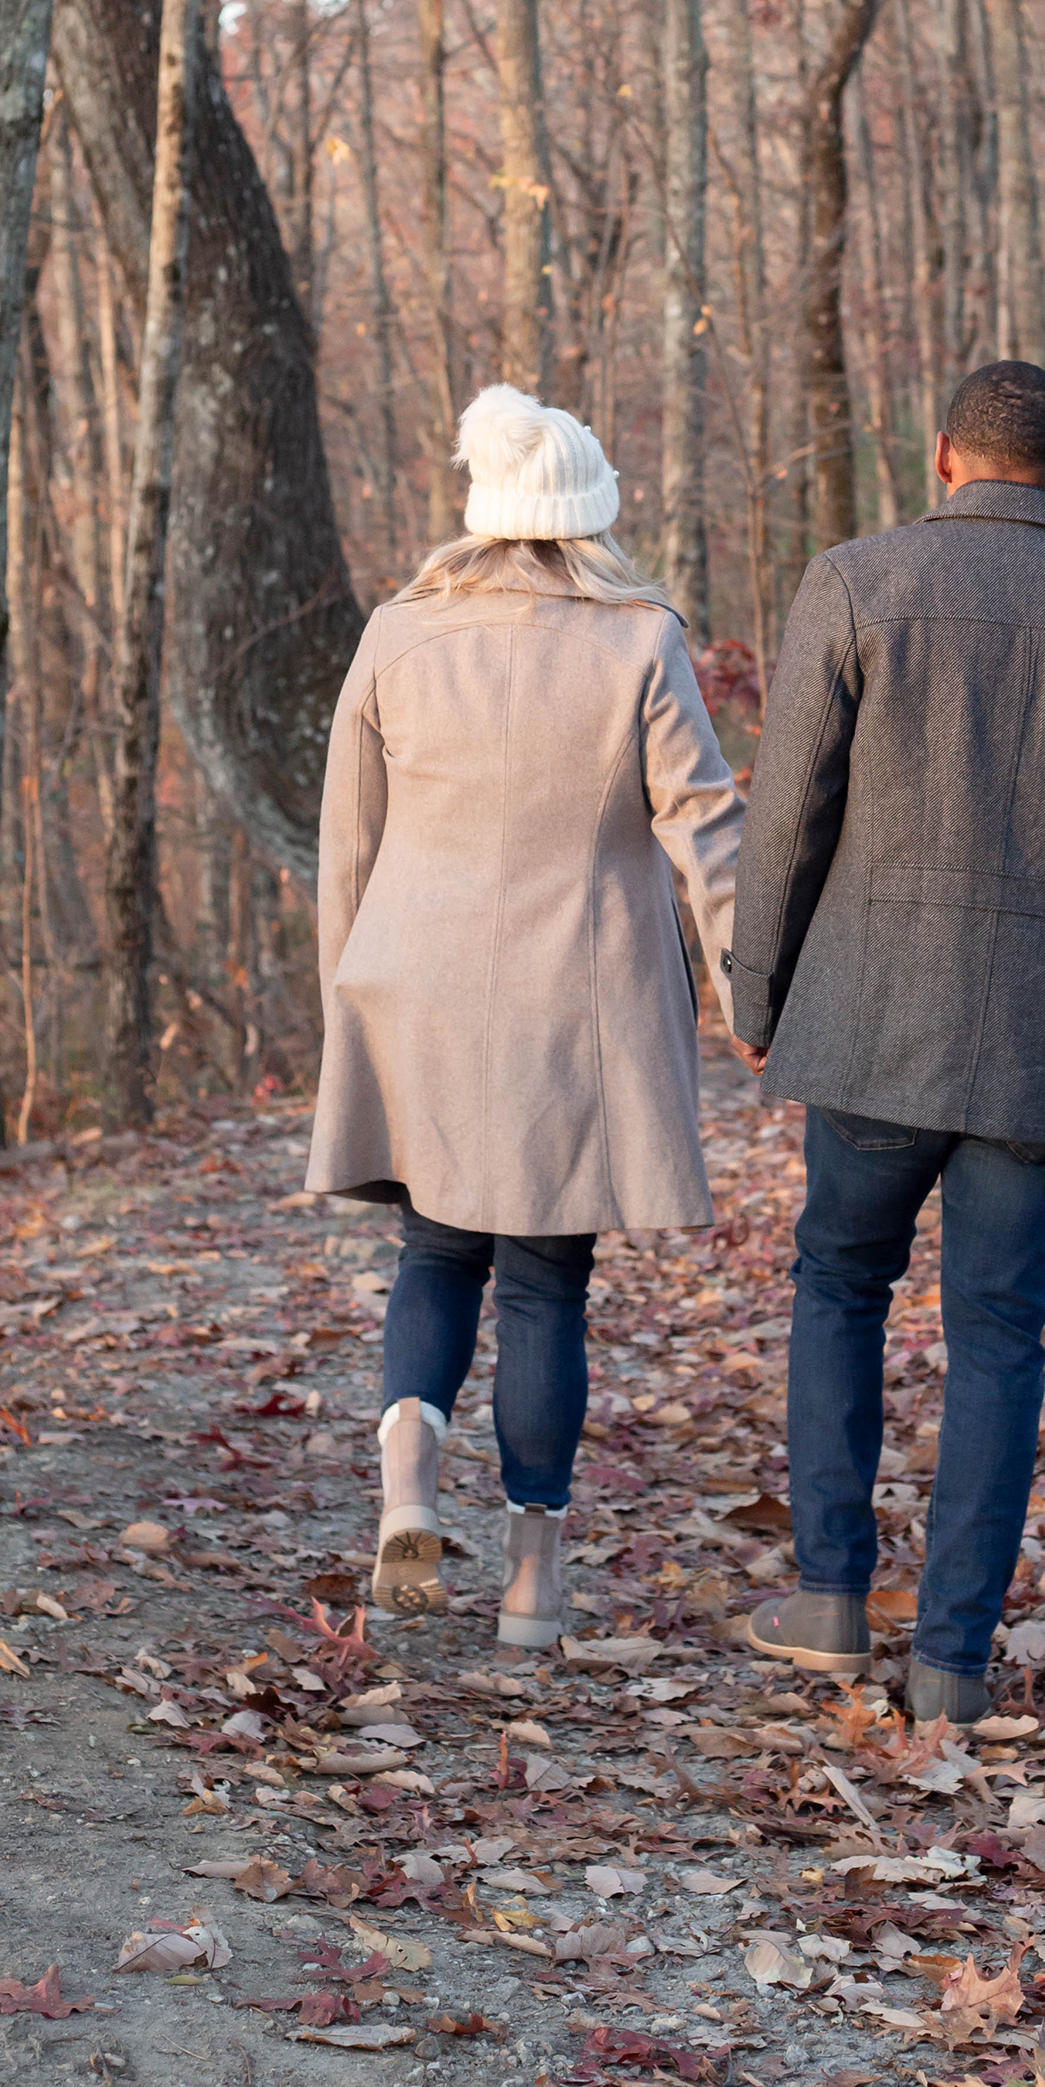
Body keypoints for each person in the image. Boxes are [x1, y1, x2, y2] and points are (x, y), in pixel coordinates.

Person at [724, 361, 1045, 1725]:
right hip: (1040, 1038)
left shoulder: (857, 582)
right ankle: (950, 1663)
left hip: (871, 1021)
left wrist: (758, 996)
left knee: (840, 1283)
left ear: (942, 457)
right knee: (999, 1338)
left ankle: (829, 1595)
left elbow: (788, 814)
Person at [306, 384, 742, 1642]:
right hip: (576, 999)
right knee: (548, 1286)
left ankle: (404, 1474)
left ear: (483, 512)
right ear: (589, 517)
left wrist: (351, 1001)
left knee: (437, 1252)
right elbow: (705, 826)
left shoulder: (396, 635)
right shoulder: (642, 639)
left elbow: (348, 844)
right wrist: (742, 980)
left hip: (418, 990)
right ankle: (533, 1583)